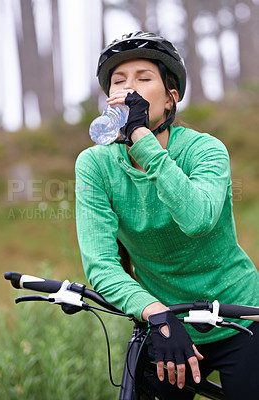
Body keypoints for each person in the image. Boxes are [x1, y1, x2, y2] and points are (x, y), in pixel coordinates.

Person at [75, 31, 259, 399]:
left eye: (144, 79)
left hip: (239, 316)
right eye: (119, 81)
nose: (130, 90)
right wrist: (156, 314)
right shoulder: (95, 165)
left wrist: (143, 139)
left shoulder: (205, 150)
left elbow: (197, 219)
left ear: (171, 97)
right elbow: (101, 265)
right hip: (163, 318)